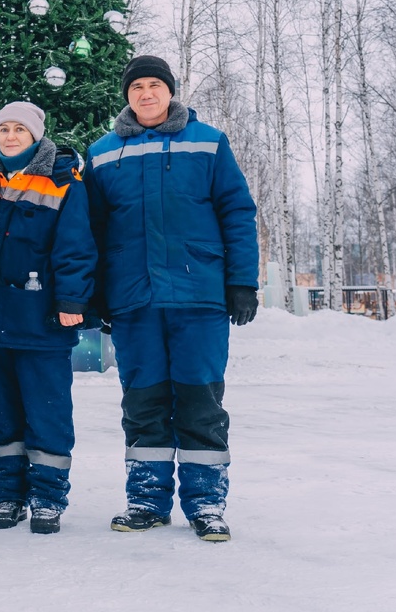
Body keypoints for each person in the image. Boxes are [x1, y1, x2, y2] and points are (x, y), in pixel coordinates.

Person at [84, 54, 259, 543]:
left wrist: (242, 282)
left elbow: (237, 211)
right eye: (136, 86)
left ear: (170, 91)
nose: (145, 93)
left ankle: (207, 505)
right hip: (133, 301)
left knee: (201, 401)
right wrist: (96, 294)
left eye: (154, 85)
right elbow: (92, 231)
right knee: (143, 403)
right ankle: (146, 500)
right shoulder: (102, 153)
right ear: (126, 95)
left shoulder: (208, 142)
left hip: (199, 297)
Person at [0, 101, 97, 535]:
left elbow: (76, 249)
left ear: (36, 135)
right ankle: (8, 495)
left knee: (48, 411)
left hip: (42, 321)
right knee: (1, 413)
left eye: (20, 129)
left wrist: (73, 302)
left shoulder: (63, 181)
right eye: (4, 129)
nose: (11, 136)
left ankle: (47, 497)